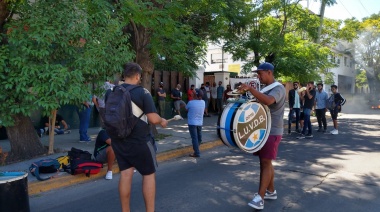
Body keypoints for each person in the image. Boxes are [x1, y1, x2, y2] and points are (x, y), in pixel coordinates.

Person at [108, 62, 168, 212]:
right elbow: (153, 119)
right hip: (140, 141)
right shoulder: (143, 92)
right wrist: (162, 120)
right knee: (148, 175)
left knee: (126, 174)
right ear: (137, 76)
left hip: (119, 141)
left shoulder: (112, 91)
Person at [238, 62, 285, 210]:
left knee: (265, 162)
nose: (258, 76)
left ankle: (260, 197)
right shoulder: (265, 88)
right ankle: (271, 191)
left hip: (272, 131)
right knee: (265, 162)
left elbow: (269, 101)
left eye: (260, 73)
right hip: (263, 130)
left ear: (269, 72)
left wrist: (251, 88)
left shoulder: (278, 88)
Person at [185, 89, 205, 157]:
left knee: (194, 138)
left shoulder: (191, 103)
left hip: (192, 123)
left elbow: (186, 109)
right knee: (199, 137)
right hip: (200, 123)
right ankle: (197, 147)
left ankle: (197, 152)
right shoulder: (203, 102)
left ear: (195, 95)